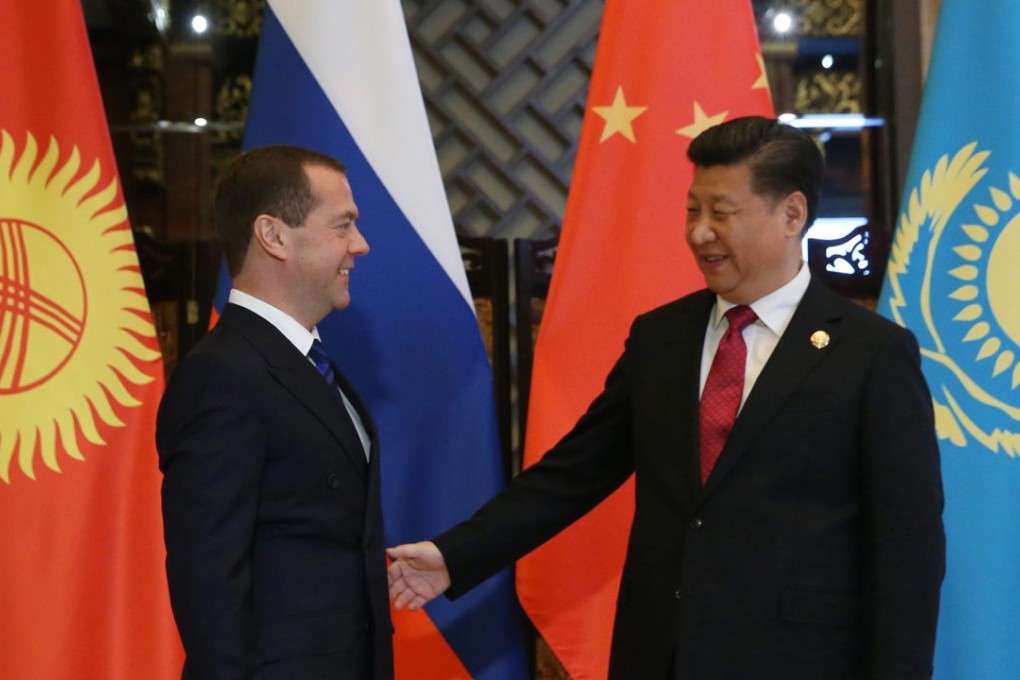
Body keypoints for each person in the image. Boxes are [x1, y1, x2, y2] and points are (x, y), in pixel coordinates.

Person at [387, 116, 945, 679]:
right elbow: (572, 473)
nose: (700, 232)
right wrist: (456, 555)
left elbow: (907, 549)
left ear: (791, 214)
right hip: (660, 655)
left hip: (798, 660)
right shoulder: (661, 339)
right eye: (692, 210)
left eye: (721, 213)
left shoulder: (870, 353)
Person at [157, 145, 392, 679]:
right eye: (343, 226)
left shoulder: (307, 362)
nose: (361, 245)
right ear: (274, 236)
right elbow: (208, 581)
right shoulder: (222, 376)